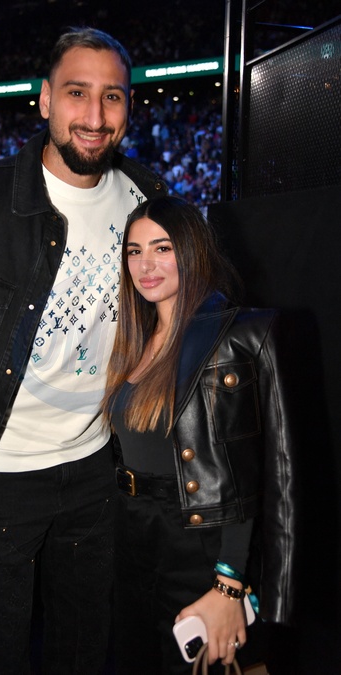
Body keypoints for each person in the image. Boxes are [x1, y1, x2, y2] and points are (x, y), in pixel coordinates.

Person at [0, 27, 167, 675]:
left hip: (97, 472)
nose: (95, 115)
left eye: (112, 96)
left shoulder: (151, 201)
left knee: (83, 650)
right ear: (44, 99)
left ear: (129, 106)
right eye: (77, 93)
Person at [101, 196, 298, 674]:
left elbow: (257, 474)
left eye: (162, 248)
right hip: (131, 535)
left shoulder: (235, 336)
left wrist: (229, 583)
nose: (145, 265)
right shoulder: (132, 338)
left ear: (192, 250)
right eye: (134, 251)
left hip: (199, 543)